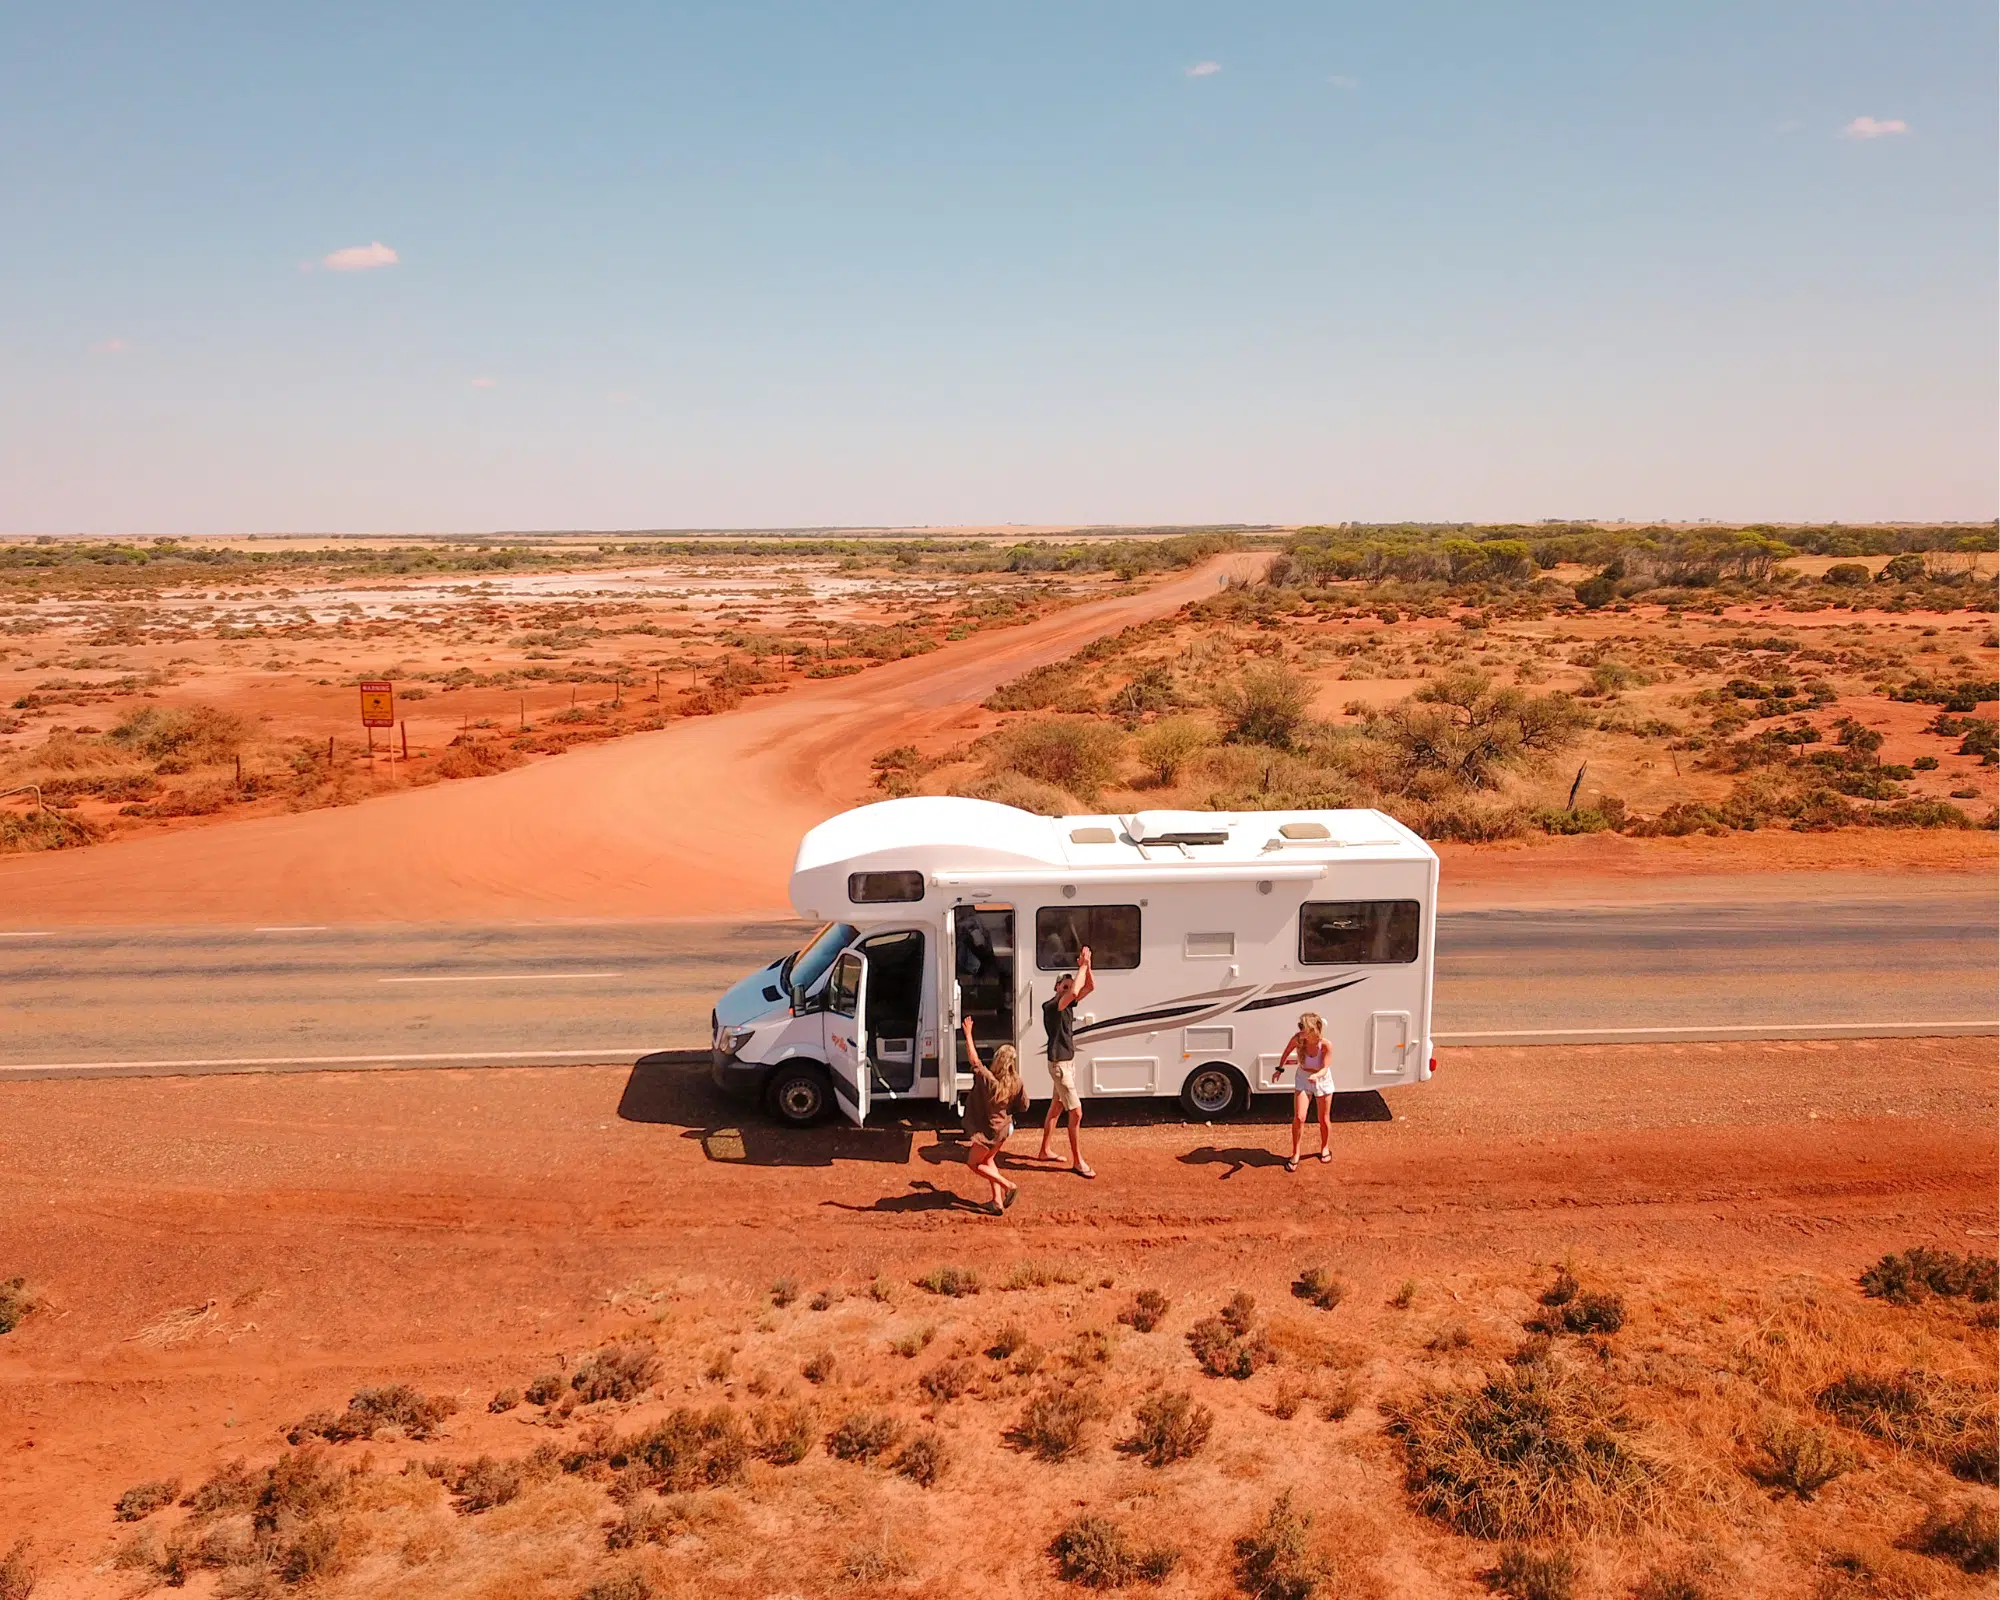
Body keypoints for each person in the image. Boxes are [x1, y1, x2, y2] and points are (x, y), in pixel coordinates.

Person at [1037, 944, 1097, 1179]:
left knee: (1057, 1107)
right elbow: (1073, 994)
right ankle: (1078, 1162)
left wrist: (1087, 967)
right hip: (1060, 1065)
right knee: (1077, 1113)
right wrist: (1080, 966)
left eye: (1070, 985)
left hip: (1066, 1062)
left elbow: (1089, 987)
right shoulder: (1053, 1006)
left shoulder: (1068, 1003)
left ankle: (1044, 1150)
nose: (1069, 988)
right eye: (1064, 985)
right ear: (1056, 987)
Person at [960, 1015, 1028, 1215]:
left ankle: (1008, 1185)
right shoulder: (1017, 1081)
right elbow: (1024, 1105)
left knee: (974, 1163)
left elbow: (974, 1060)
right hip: (1004, 1130)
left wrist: (968, 1035)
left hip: (988, 1132)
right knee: (989, 1161)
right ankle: (997, 1202)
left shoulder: (989, 1080)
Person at [1278, 1010, 1335, 1173]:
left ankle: (1325, 1147)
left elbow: (1325, 1068)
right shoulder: (1298, 1039)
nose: (1300, 1029)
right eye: (1300, 1025)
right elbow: (1286, 1052)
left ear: (1313, 1029)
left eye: (1303, 1027)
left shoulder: (1325, 1045)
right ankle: (1296, 1153)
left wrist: (1317, 1075)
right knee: (1299, 1117)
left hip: (1322, 1080)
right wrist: (1279, 1069)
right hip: (1303, 1078)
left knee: (1323, 1118)